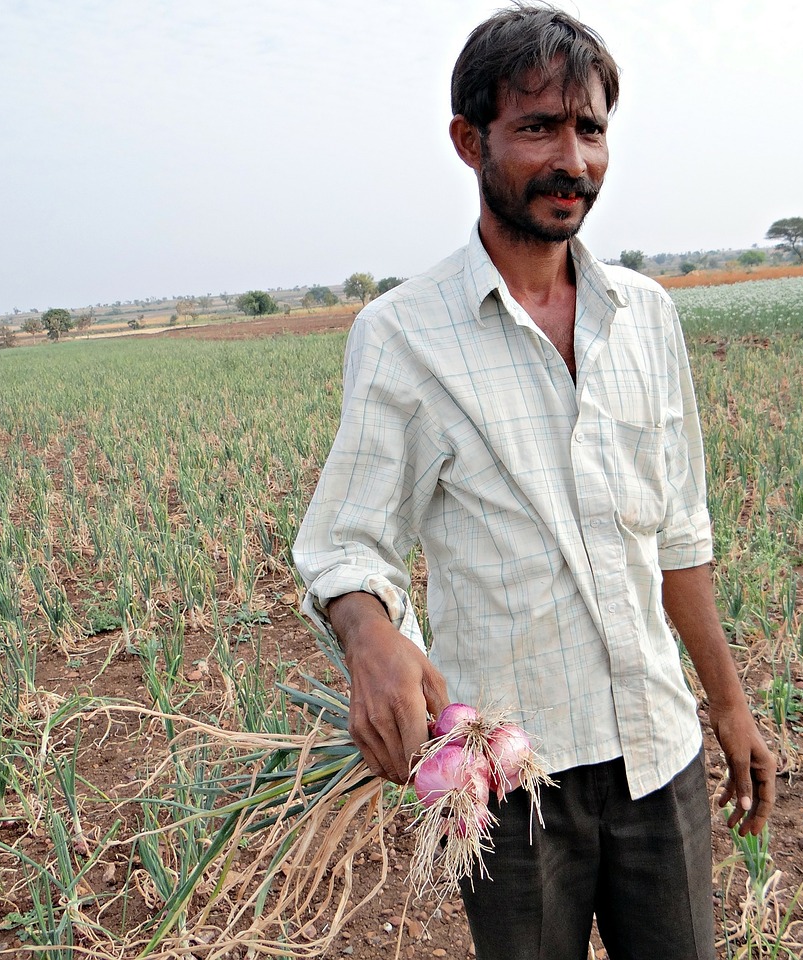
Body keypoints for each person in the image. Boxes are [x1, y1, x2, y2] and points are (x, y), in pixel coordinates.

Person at [292, 6, 775, 958]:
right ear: (470, 140)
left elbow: (678, 537)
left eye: (590, 129)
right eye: (538, 128)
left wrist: (726, 702)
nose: (573, 160)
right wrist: (370, 636)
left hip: (658, 751)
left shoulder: (645, 317)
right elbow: (349, 539)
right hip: (511, 780)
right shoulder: (401, 337)